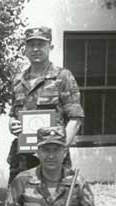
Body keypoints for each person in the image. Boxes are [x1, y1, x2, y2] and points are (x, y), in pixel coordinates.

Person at [7, 26, 84, 183]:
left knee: (54, 204)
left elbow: (75, 120)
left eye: (41, 44)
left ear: (50, 47)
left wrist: (59, 151)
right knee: (17, 205)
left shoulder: (63, 77)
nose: (35, 49)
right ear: (25, 49)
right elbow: (13, 115)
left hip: (52, 159)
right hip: (22, 159)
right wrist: (12, 125)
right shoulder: (17, 80)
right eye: (31, 44)